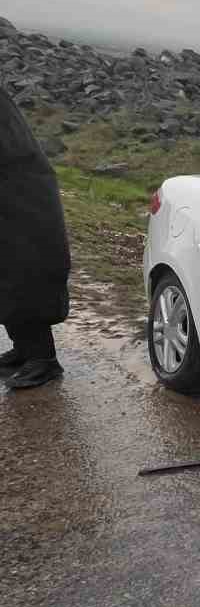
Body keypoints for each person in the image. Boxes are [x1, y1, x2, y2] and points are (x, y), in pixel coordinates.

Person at [0, 86, 71, 388]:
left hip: (22, 204)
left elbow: (12, 151)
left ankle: (43, 360)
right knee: (7, 281)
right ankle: (25, 350)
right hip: (10, 203)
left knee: (26, 282)